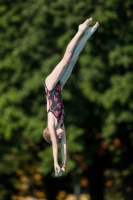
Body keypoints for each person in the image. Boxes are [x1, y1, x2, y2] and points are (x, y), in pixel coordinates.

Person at [43, 18, 99, 177]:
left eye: (57, 136)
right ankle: (87, 35)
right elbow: (64, 146)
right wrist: (64, 164)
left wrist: (55, 163)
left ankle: (80, 29)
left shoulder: (52, 121)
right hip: (59, 87)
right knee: (73, 62)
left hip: (51, 85)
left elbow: (55, 145)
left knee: (66, 59)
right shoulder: (62, 122)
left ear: (51, 132)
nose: (60, 137)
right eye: (60, 136)